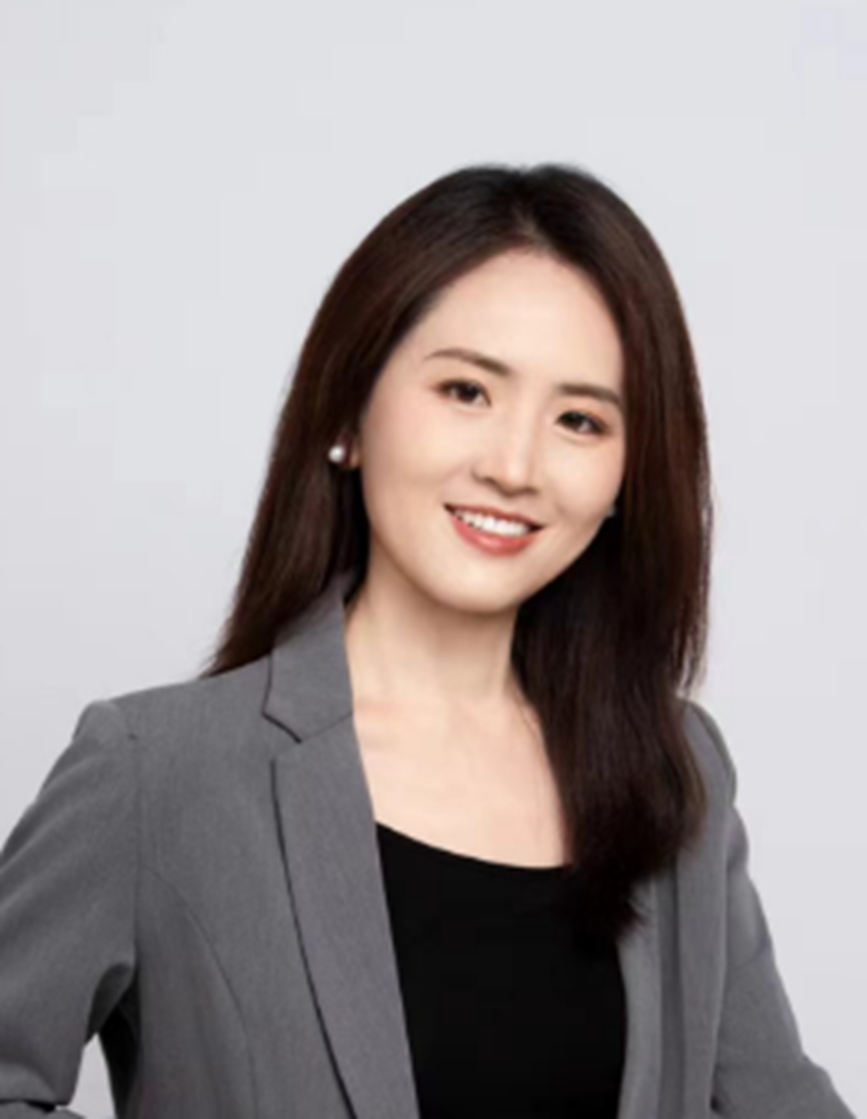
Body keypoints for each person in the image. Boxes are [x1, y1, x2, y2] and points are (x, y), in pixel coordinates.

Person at [0, 163, 856, 1119]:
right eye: (465, 390)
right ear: (347, 415)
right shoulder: (159, 770)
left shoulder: (674, 769)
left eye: (579, 419)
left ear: (626, 476)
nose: (514, 466)